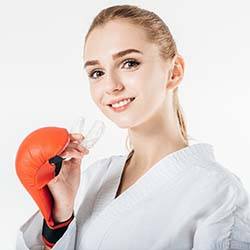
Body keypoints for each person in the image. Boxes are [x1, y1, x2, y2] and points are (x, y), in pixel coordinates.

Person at [16, 4, 250, 250]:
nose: (111, 85)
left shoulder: (218, 193)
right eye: (97, 72)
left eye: (129, 63)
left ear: (174, 71)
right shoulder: (94, 178)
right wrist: (60, 218)